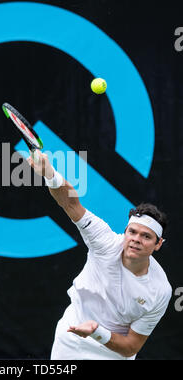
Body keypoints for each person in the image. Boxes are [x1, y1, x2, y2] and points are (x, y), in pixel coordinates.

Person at [27, 151, 172, 360]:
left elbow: (131, 346)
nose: (136, 239)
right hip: (71, 340)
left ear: (158, 244)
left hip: (114, 354)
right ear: (125, 233)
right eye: (132, 232)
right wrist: (50, 174)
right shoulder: (105, 241)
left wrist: (97, 331)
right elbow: (71, 203)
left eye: (146, 236)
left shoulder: (160, 290)